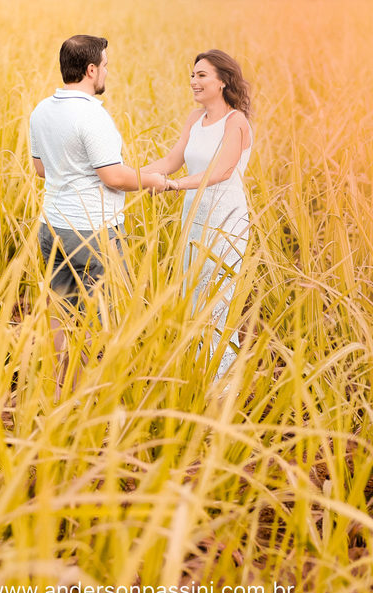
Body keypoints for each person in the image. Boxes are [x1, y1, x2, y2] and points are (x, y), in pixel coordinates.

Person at [29, 35, 168, 396]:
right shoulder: (93, 115)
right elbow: (114, 177)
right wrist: (154, 181)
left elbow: (41, 169)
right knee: (98, 316)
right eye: (105, 66)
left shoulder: (41, 110)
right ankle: (90, 395)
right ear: (91, 70)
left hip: (52, 226)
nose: (107, 72)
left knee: (60, 308)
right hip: (92, 230)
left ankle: (63, 390)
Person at [142, 49, 253, 379]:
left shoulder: (235, 121)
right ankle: (198, 377)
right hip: (194, 220)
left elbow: (222, 170)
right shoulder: (194, 119)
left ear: (223, 81)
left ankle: (222, 387)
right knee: (192, 299)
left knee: (217, 303)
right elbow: (171, 161)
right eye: (192, 75)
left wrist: (174, 186)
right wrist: (127, 176)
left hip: (226, 222)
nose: (193, 81)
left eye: (202, 75)